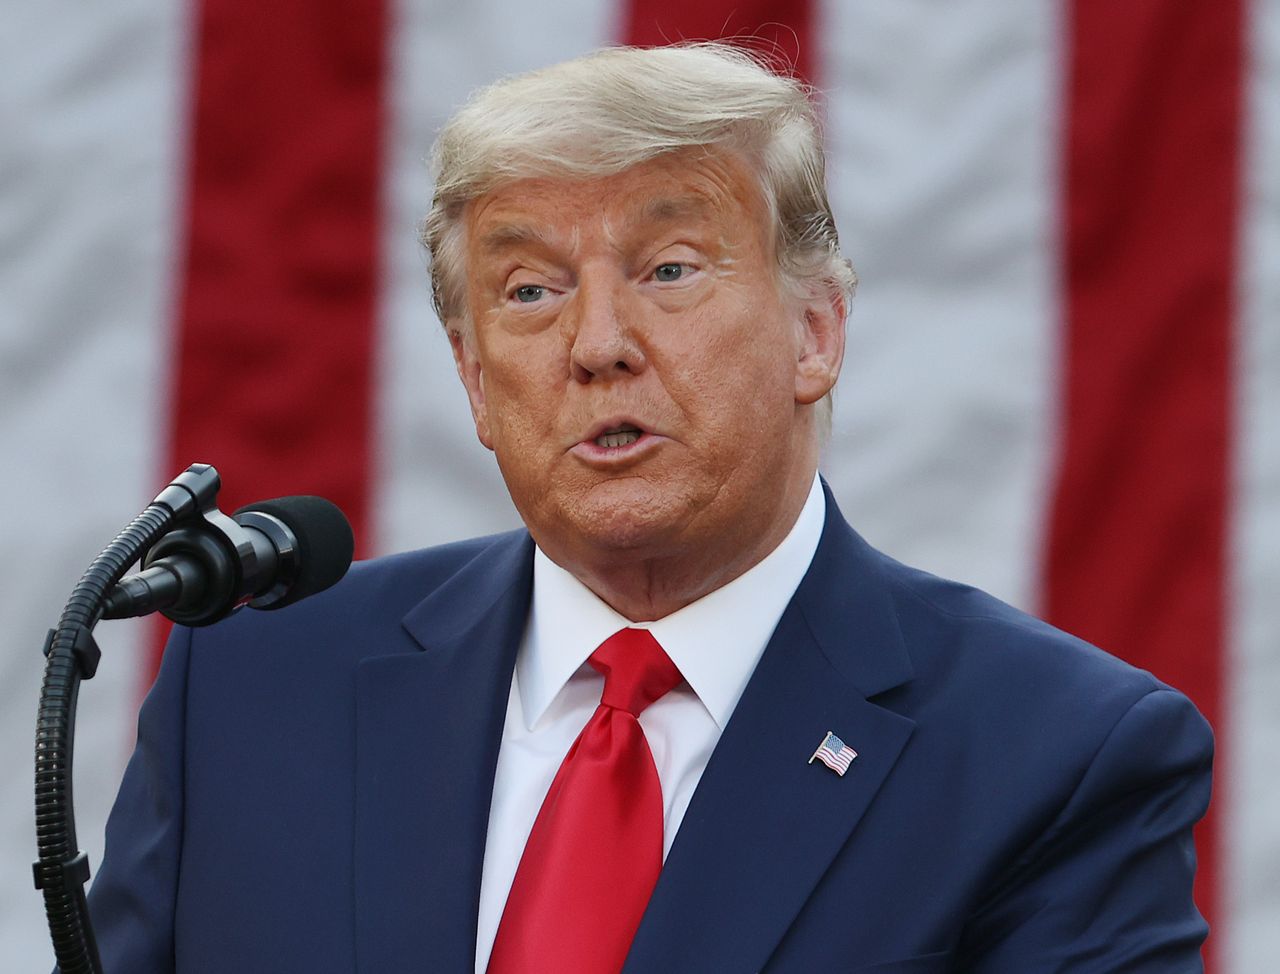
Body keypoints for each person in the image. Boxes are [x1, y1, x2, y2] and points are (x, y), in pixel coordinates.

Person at [78, 43, 1212, 973]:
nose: (598, 344)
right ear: (474, 379)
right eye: (529, 290)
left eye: (669, 267)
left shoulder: (1055, 756)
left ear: (813, 330)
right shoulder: (253, 690)